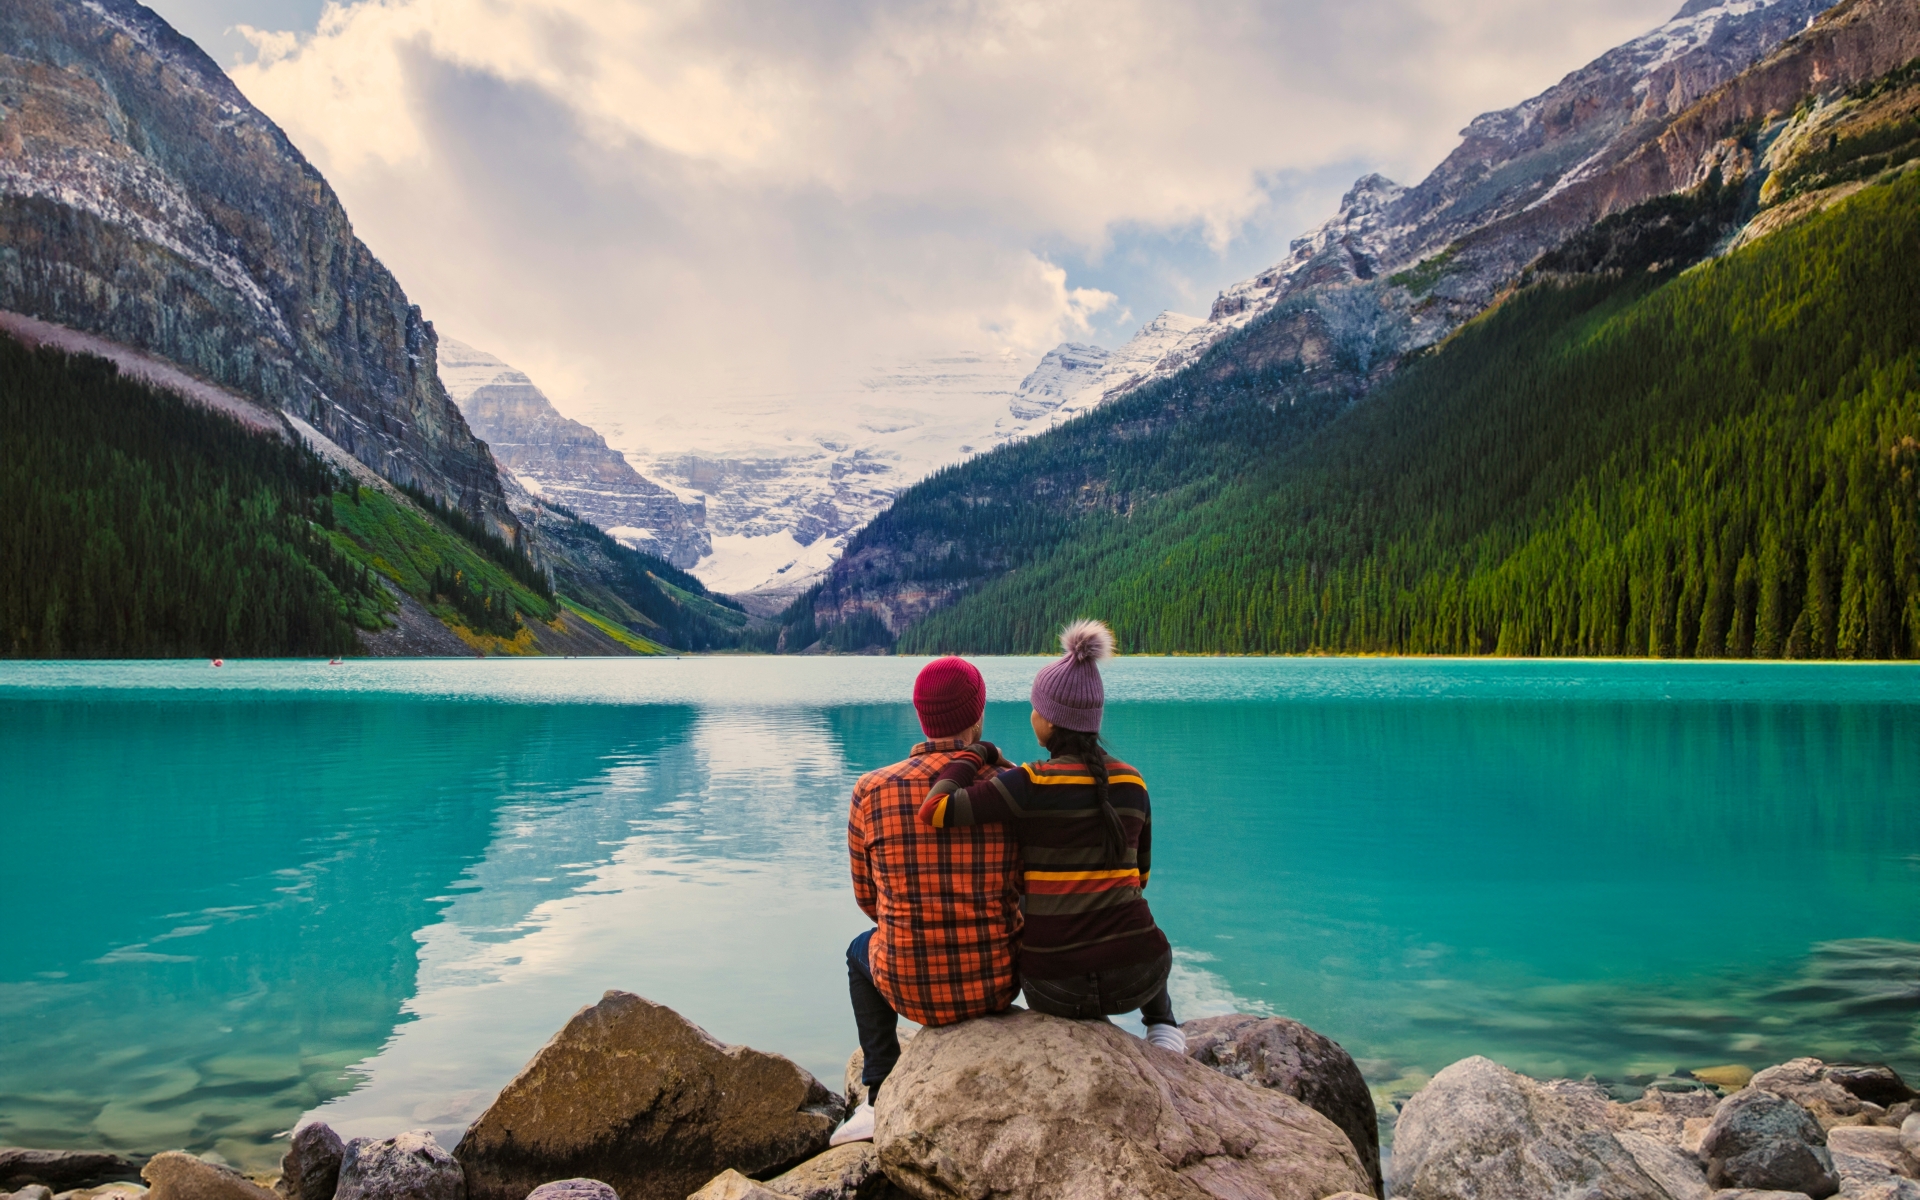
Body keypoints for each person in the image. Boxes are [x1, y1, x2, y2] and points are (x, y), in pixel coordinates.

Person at [916, 619, 1184, 1052]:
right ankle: (1163, 1026)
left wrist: (976, 752)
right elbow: (1142, 877)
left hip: (1054, 989)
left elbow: (938, 808)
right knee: (1127, 898)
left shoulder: (1031, 782)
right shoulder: (1134, 781)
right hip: (1140, 976)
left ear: (1050, 722)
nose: (1032, 715)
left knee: (1027, 892)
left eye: (1036, 708)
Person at [831, 655, 1024, 1146]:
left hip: (909, 987)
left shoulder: (871, 790)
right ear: (978, 715)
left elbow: (867, 899)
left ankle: (878, 1095)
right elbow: (1029, 886)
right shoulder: (1014, 784)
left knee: (860, 951)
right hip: (999, 984)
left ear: (920, 715)